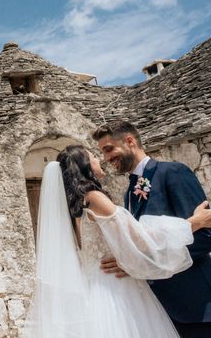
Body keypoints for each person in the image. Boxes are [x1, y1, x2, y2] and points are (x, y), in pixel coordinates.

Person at [24, 144, 211, 338]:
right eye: (94, 157)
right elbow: (138, 237)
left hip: (95, 287)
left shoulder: (74, 208)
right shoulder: (95, 198)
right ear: (85, 165)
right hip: (115, 289)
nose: (101, 160)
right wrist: (193, 223)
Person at [93, 121, 211, 337]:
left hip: (197, 305)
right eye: (102, 153)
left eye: (109, 149)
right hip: (161, 310)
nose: (106, 158)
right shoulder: (130, 191)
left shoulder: (173, 172)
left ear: (130, 141)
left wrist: (141, 263)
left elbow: (205, 237)